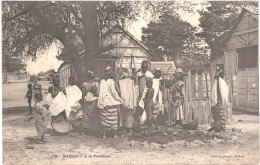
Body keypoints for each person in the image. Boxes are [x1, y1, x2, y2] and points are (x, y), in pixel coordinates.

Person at [98, 66, 124, 138]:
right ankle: (115, 134)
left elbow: (99, 92)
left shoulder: (102, 81)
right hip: (111, 102)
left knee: (104, 119)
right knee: (114, 118)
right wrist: (119, 99)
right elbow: (115, 92)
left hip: (103, 102)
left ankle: (104, 134)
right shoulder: (112, 82)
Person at [208, 67, 228, 132]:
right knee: (215, 112)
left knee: (221, 113)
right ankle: (217, 126)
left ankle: (223, 128)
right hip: (216, 99)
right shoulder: (216, 82)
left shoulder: (222, 82)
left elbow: (224, 94)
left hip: (220, 100)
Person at [81, 70, 101, 135]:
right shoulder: (96, 84)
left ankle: (84, 130)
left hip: (86, 100)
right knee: (94, 114)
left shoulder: (84, 84)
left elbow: (83, 93)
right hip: (93, 101)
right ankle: (93, 129)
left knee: (86, 115)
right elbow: (98, 93)